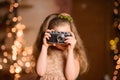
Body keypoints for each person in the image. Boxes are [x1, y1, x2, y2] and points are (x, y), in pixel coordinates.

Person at [33, 13, 88, 80]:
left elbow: (70, 77)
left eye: (65, 35)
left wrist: (70, 50)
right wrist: (44, 46)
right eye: (58, 35)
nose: (62, 38)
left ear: (73, 34)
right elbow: (40, 72)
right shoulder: (46, 52)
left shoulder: (74, 54)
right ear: (51, 34)